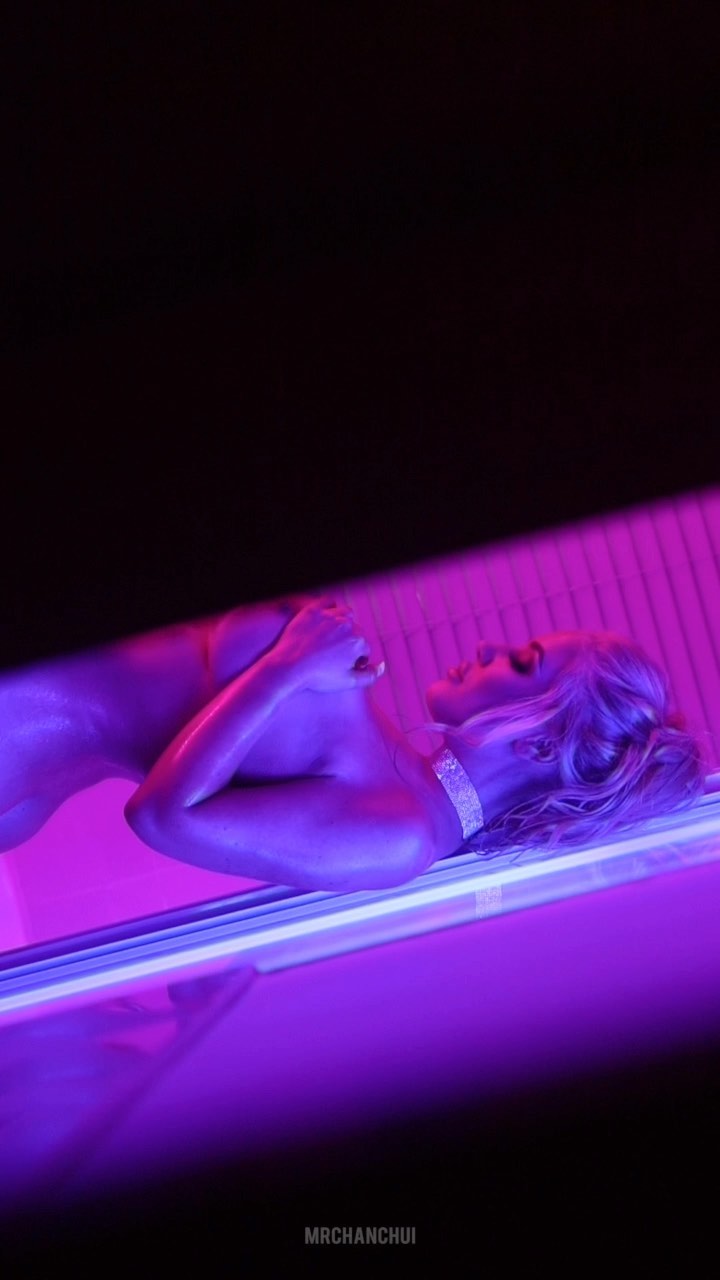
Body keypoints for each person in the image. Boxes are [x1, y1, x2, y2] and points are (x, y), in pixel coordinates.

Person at [0, 597, 705, 888]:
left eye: (521, 662)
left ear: (541, 748)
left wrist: (283, 670)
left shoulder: (401, 839)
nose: (492, 647)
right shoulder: (398, 771)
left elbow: (162, 818)